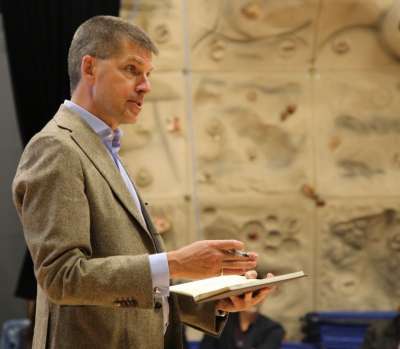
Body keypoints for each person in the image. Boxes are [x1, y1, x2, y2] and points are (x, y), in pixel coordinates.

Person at [12, 16, 272, 349]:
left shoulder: (102, 148)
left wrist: (215, 299)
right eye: (132, 70)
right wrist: (177, 263)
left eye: (148, 74)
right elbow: (62, 277)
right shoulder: (57, 147)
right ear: (89, 68)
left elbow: (130, 286)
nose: (146, 85)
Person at [199, 298, 285, 349]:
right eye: (248, 293)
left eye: (258, 294)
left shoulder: (274, 329)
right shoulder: (219, 321)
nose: (252, 299)